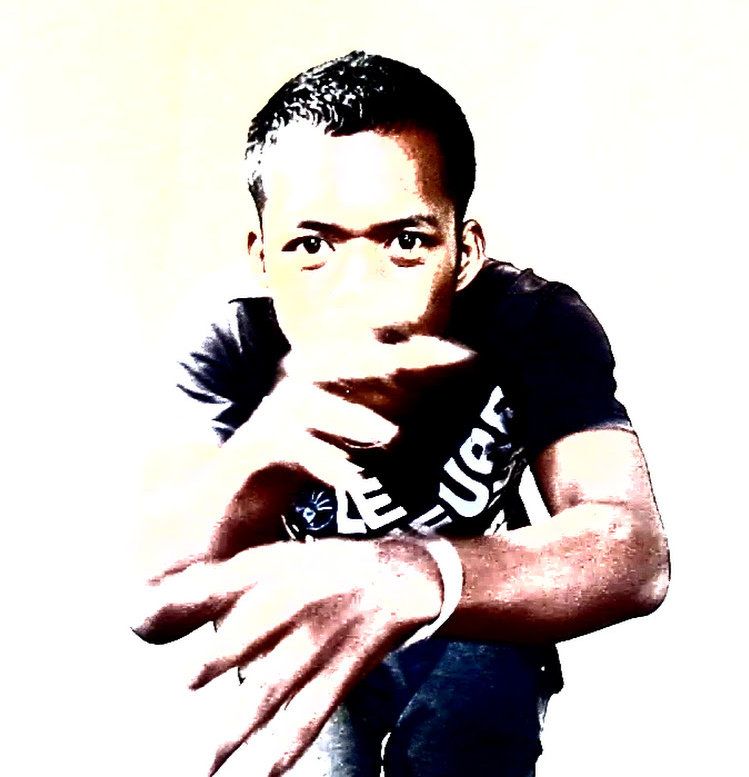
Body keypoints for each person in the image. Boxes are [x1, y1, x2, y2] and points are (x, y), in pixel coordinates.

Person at [131, 51, 669, 777]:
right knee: (306, 705)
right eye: (312, 246)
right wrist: (256, 456)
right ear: (261, 257)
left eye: (406, 242)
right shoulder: (232, 337)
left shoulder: (530, 321)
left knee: (474, 690)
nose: (359, 287)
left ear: (465, 252)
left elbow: (631, 548)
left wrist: (422, 572)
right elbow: (153, 598)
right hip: (308, 619)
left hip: (472, 615)